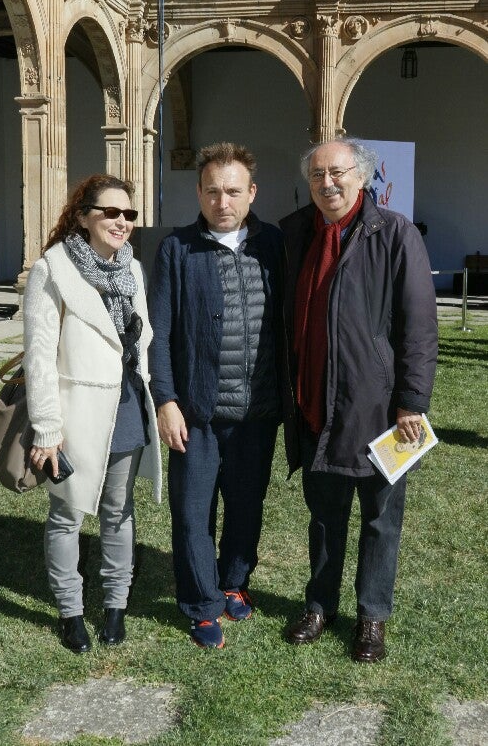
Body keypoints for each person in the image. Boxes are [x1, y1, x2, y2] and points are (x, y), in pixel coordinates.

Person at [280, 137, 437, 662]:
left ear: (363, 175)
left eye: (338, 172)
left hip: (380, 410)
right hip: (314, 404)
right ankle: (319, 605)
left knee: (380, 517)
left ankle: (372, 617)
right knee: (324, 516)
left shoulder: (394, 233)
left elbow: (418, 326)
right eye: (318, 174)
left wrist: (411, 400)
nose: (328, 183)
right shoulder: (296, 231)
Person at [148, 142, 283, 649]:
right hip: (197, 413)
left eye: (232, 191)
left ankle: (233, 582)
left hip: (258, 410)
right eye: (212, 191)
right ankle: (202, 603)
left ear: (251, 192)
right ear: (199, 193)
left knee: (247, 505)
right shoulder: (177, 248)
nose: (222, 201)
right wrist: (166, 400)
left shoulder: (272, 243)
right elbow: (159, 334)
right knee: (191, 512)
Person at [23, 174, 162, 653]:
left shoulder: (132, 269)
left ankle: (116, 606)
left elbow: (141, 340)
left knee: (118, 511)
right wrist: (46, 429)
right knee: (66, 515)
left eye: (129, 214)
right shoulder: (53, 269)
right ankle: (71, 611)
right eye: (111, 212)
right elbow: (39, 356)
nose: (121, 222)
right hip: (73, 412)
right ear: (84, 217)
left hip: (125, 407)